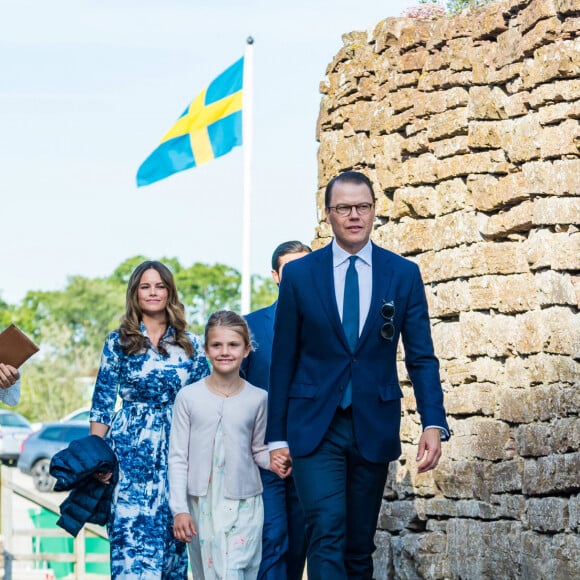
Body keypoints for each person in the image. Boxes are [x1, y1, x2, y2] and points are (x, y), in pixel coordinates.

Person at [266, 171, 450, 579]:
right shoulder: (300, 275)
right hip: (314, 425)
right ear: (328, 214)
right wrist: (276, 436)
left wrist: (433, 421)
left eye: (362, 207)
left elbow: (421, 357)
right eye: (344, 208)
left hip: (373, 421)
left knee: (358, 544)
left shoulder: (401, 274)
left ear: (373, 211)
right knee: (327, 531)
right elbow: (283, 360)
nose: (354, 215)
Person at [90, 260, 210, 579]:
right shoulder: (118, 342)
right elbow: (102, 404)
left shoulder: (192, 345)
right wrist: (96, 459)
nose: (153, 292)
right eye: (145, 286)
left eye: (160, 286)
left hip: (178, 456)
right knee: (130, 547)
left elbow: (207, 404)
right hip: (128, 458)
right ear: (135, 293)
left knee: (173, 550)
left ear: (169, 292)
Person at [169, 310, 279, 579]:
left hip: (245, 503)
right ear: (206, 350)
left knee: (235, 571)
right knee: (210, 573)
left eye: (233, 345)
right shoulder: (188, 398)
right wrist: (180, 510)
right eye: (217, 345)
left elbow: (258, 450)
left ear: (247, 349)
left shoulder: (259, 399)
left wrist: (276, 460)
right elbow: (178, 457)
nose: (225, 352)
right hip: (201, 505)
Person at [241, 240, 311, 580]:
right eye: (291, 269)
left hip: (313, 456)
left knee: (300, 544)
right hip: (262, 458)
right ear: (275, 276)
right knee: (272, 539)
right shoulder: (248, 328)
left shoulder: (331, 327)